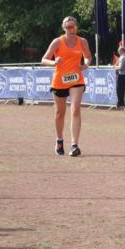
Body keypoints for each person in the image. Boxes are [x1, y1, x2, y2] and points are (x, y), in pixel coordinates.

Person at [41, 16, 92, 156]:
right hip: (60, 81)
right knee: (60, 113)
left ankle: (74, 145)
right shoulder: (57, 42)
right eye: (68, 27)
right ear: (64, 28)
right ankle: (59, 140)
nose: (71, 29)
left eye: (73, 26)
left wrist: (86, 64)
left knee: (75, 110)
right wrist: (54, 62)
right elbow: (44, 59)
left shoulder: (82, 41)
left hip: (76, 80)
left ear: (76, 27)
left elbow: (88, 56)